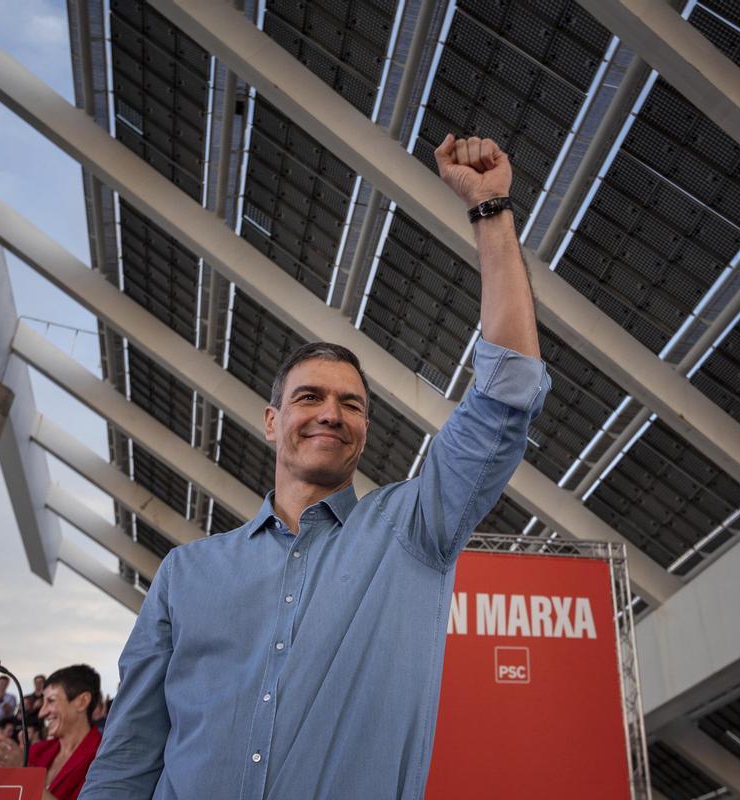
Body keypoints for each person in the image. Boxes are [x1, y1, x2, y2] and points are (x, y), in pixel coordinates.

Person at [80, 134, 548, 799]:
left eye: (350, 404)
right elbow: (126, 762)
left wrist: (491, 211)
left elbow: (508, 392)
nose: (330, 413)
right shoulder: (187, 576)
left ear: (364, 429)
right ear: (272, 422)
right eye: (309, 397)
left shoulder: (414, 531)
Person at [0, 665, 102, 800]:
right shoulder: (36, 751)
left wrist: (21, 774)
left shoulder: (104, 758)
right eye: (43, 702)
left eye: (51, 701)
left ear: (82, 701)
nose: (42, 713)